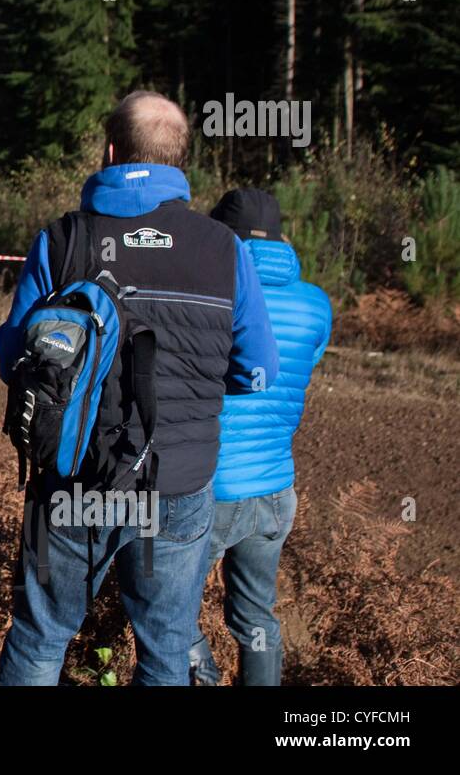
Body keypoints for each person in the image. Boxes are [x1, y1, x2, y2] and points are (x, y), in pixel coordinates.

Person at [0, 91, 279, 686]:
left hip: (70, 481)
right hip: (176, 485)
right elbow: (258, 369)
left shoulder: (61, 240)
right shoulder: (223, 249)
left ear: (111, 150)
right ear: (178, 158)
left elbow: (16, 357)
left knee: (41, 637)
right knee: (167, 649)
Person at [189, 188, 332, 685]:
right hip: (275, 487)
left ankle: (200, 677)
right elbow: (298, 368)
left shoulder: (210, 292)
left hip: (208, 487)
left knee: (170, 612)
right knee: (256, 619)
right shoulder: (316, 304)